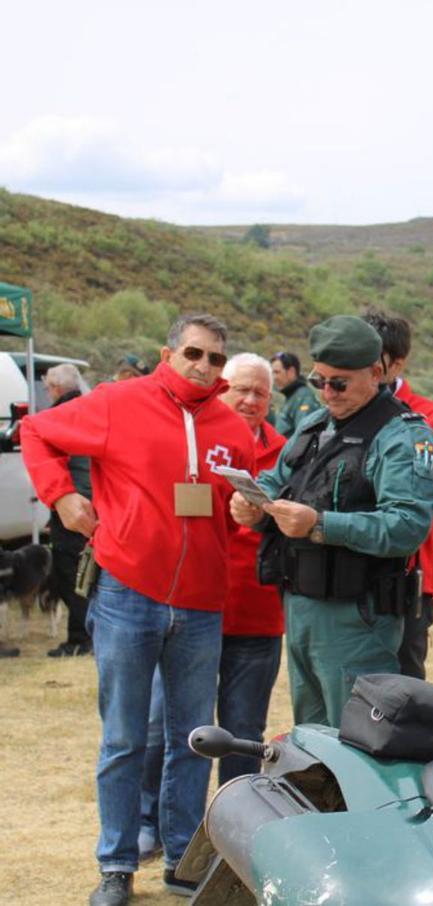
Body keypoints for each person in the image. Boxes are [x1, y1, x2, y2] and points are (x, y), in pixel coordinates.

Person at [21, 314, 256, 906]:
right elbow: (36, 433)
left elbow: (239, 501)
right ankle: (117, 864)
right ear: (168, 352)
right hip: (128, 592)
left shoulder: (234, 425)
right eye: (195, 354)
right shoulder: (116, 402)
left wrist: (248, 512)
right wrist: (62, 496)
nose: (205, 366)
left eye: (216, 359)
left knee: (191, 740)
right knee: (124, 738)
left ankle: (182, 859)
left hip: (202, 604)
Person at [232, 315, 433, 727]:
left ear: (376, 374)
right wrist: (253, 507)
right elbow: (275, 481)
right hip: (301, 604)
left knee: (358, 740)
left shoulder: (402, 436)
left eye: (340, 383)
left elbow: (405, 526)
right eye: (319, 381)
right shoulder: (313, 426)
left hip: (358, 615)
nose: (328, 392)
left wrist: (320, 525)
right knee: (311, 739)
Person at [138, 353, 288, 862]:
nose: (249, 400)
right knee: (167, 726)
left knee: (242, 735)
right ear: (221, 390)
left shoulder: (285, 455)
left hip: (257, 614)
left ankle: (233, 836)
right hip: (190, 610)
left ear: (271, 399)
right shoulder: (191, 448)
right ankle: (150, 823)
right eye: (240, 389)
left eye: (260, 393)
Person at [362, 309, 433, 680]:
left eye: (371, 359)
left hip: (408, 576)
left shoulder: (427, 417)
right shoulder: (338, 411)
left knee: (403, 689)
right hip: (351, 577)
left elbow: (421, 495)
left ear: (397, 364)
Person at [42, 363, 94, 657]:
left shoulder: (57, 416)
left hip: (71, 504)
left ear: (56, 388)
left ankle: (79, 639)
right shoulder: (91, 410)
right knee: (89, 574)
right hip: (96, 501)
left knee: (70, 576)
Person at [269, 351, 319, 437]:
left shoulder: (304, 398)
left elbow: (304, 436)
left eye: (277, 372)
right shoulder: (291, 397)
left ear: (291, 372)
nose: (274, 377)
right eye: (272, 373)